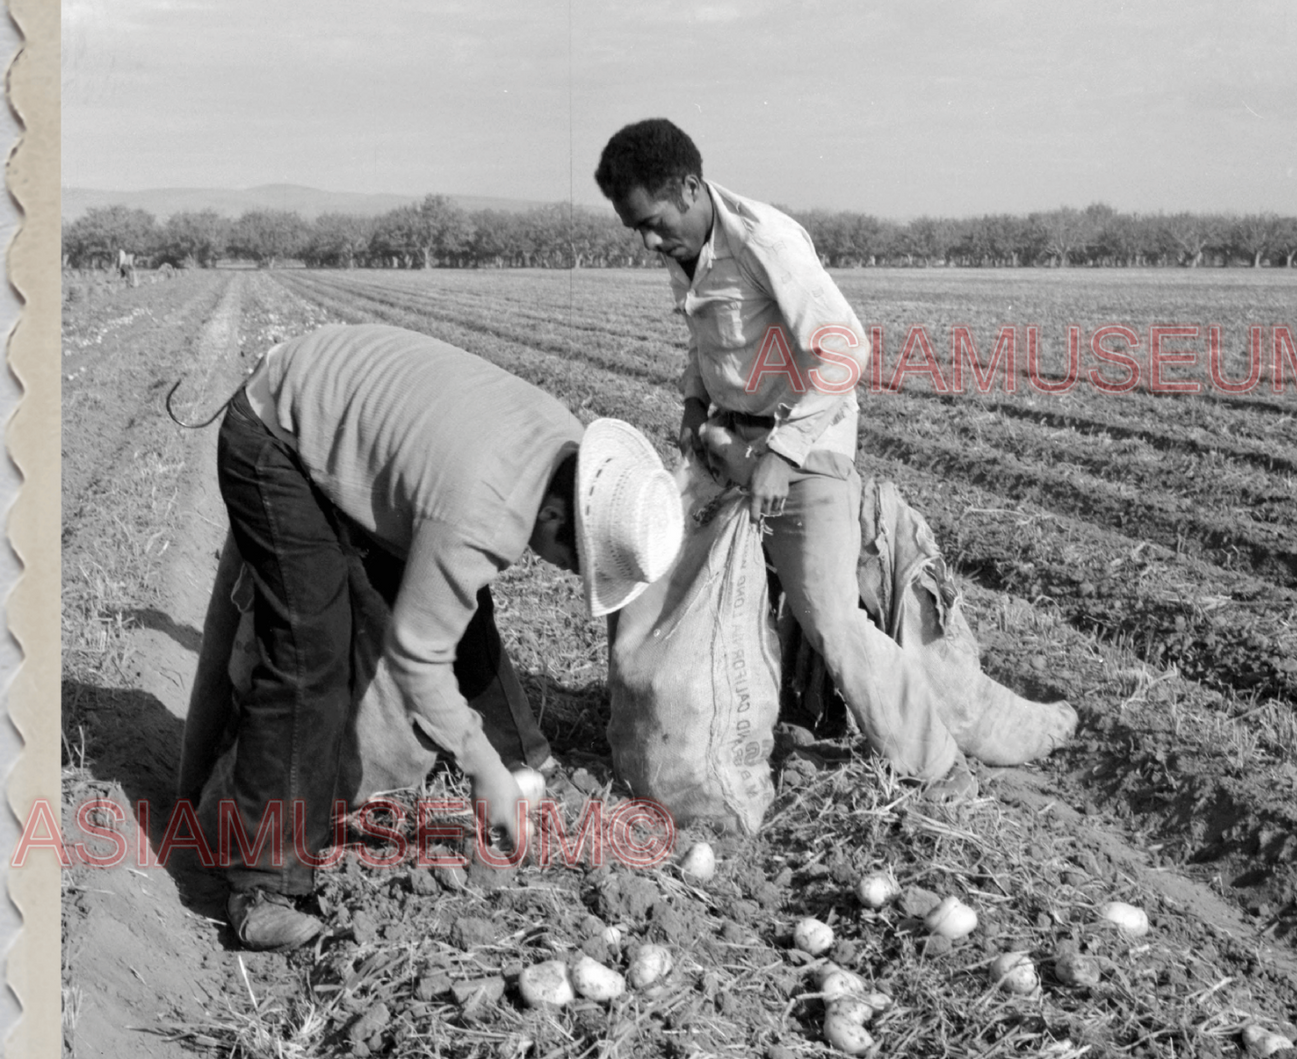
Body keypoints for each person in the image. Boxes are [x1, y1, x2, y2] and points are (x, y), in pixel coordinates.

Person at [595, 119, 1076, 806]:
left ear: (689, 188)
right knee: (674, 582)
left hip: (803, 445)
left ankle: (939, 769)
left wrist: (782, 457)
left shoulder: (766, 243)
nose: (647, 241)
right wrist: (695, 403)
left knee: (828, 615)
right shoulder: (688, 247)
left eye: (651, 223)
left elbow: (845, 351)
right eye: (633, 229)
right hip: (734, 441)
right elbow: (711, 341)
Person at [187, 322, 683, 950]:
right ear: (559, 514)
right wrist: (480, 768)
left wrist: (511, 764)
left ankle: (528, 757)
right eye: (572, 563)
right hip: (276, 434)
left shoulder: (561, 446)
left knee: (461, 607)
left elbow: (454, 608)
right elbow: (416, 659)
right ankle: (263, 884)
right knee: (310, 653)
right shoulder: (482, 511)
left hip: (352, 413)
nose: (561, 573)